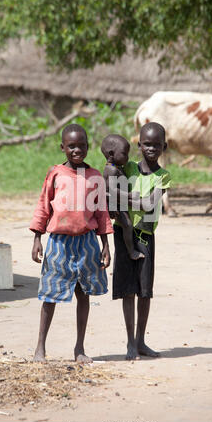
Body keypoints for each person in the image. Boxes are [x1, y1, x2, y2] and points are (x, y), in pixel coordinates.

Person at [29, 124, 113, 364]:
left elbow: (101, 212)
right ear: (62, 147)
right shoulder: (55, 174)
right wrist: (37, 237)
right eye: (72, 146)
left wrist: (105, 243)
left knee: (84, 293)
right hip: (59, 243)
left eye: (82, 146)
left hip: (87, 242)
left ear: (88, 146)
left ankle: (79, 348)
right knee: (50, 295)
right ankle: (40, 348)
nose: (78, 150)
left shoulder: (95, 176)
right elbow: (44, 205)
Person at [112, 122, 171, 360]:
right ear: (139, 144)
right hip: (122, 233)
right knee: (128, 290)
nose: (151, 148)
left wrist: (121, 197)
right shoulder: (128, 169)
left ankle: (141, 341)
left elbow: (148, 205)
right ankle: (130, 343)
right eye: (147, 144)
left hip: (146, 235)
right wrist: (124, 197)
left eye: (157, 145)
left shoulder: (163, 176)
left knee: (145, 291)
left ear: (164, 147)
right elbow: (108, 186)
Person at [101, 134, 145, 260]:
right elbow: (112, 190)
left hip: (119, 203)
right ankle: (131, 251)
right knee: (128, 225)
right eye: (124, 154)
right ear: (111, 154)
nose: (127, 157)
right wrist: (130, 196)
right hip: (117, 205)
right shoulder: (112, 170)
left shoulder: (117, 168)